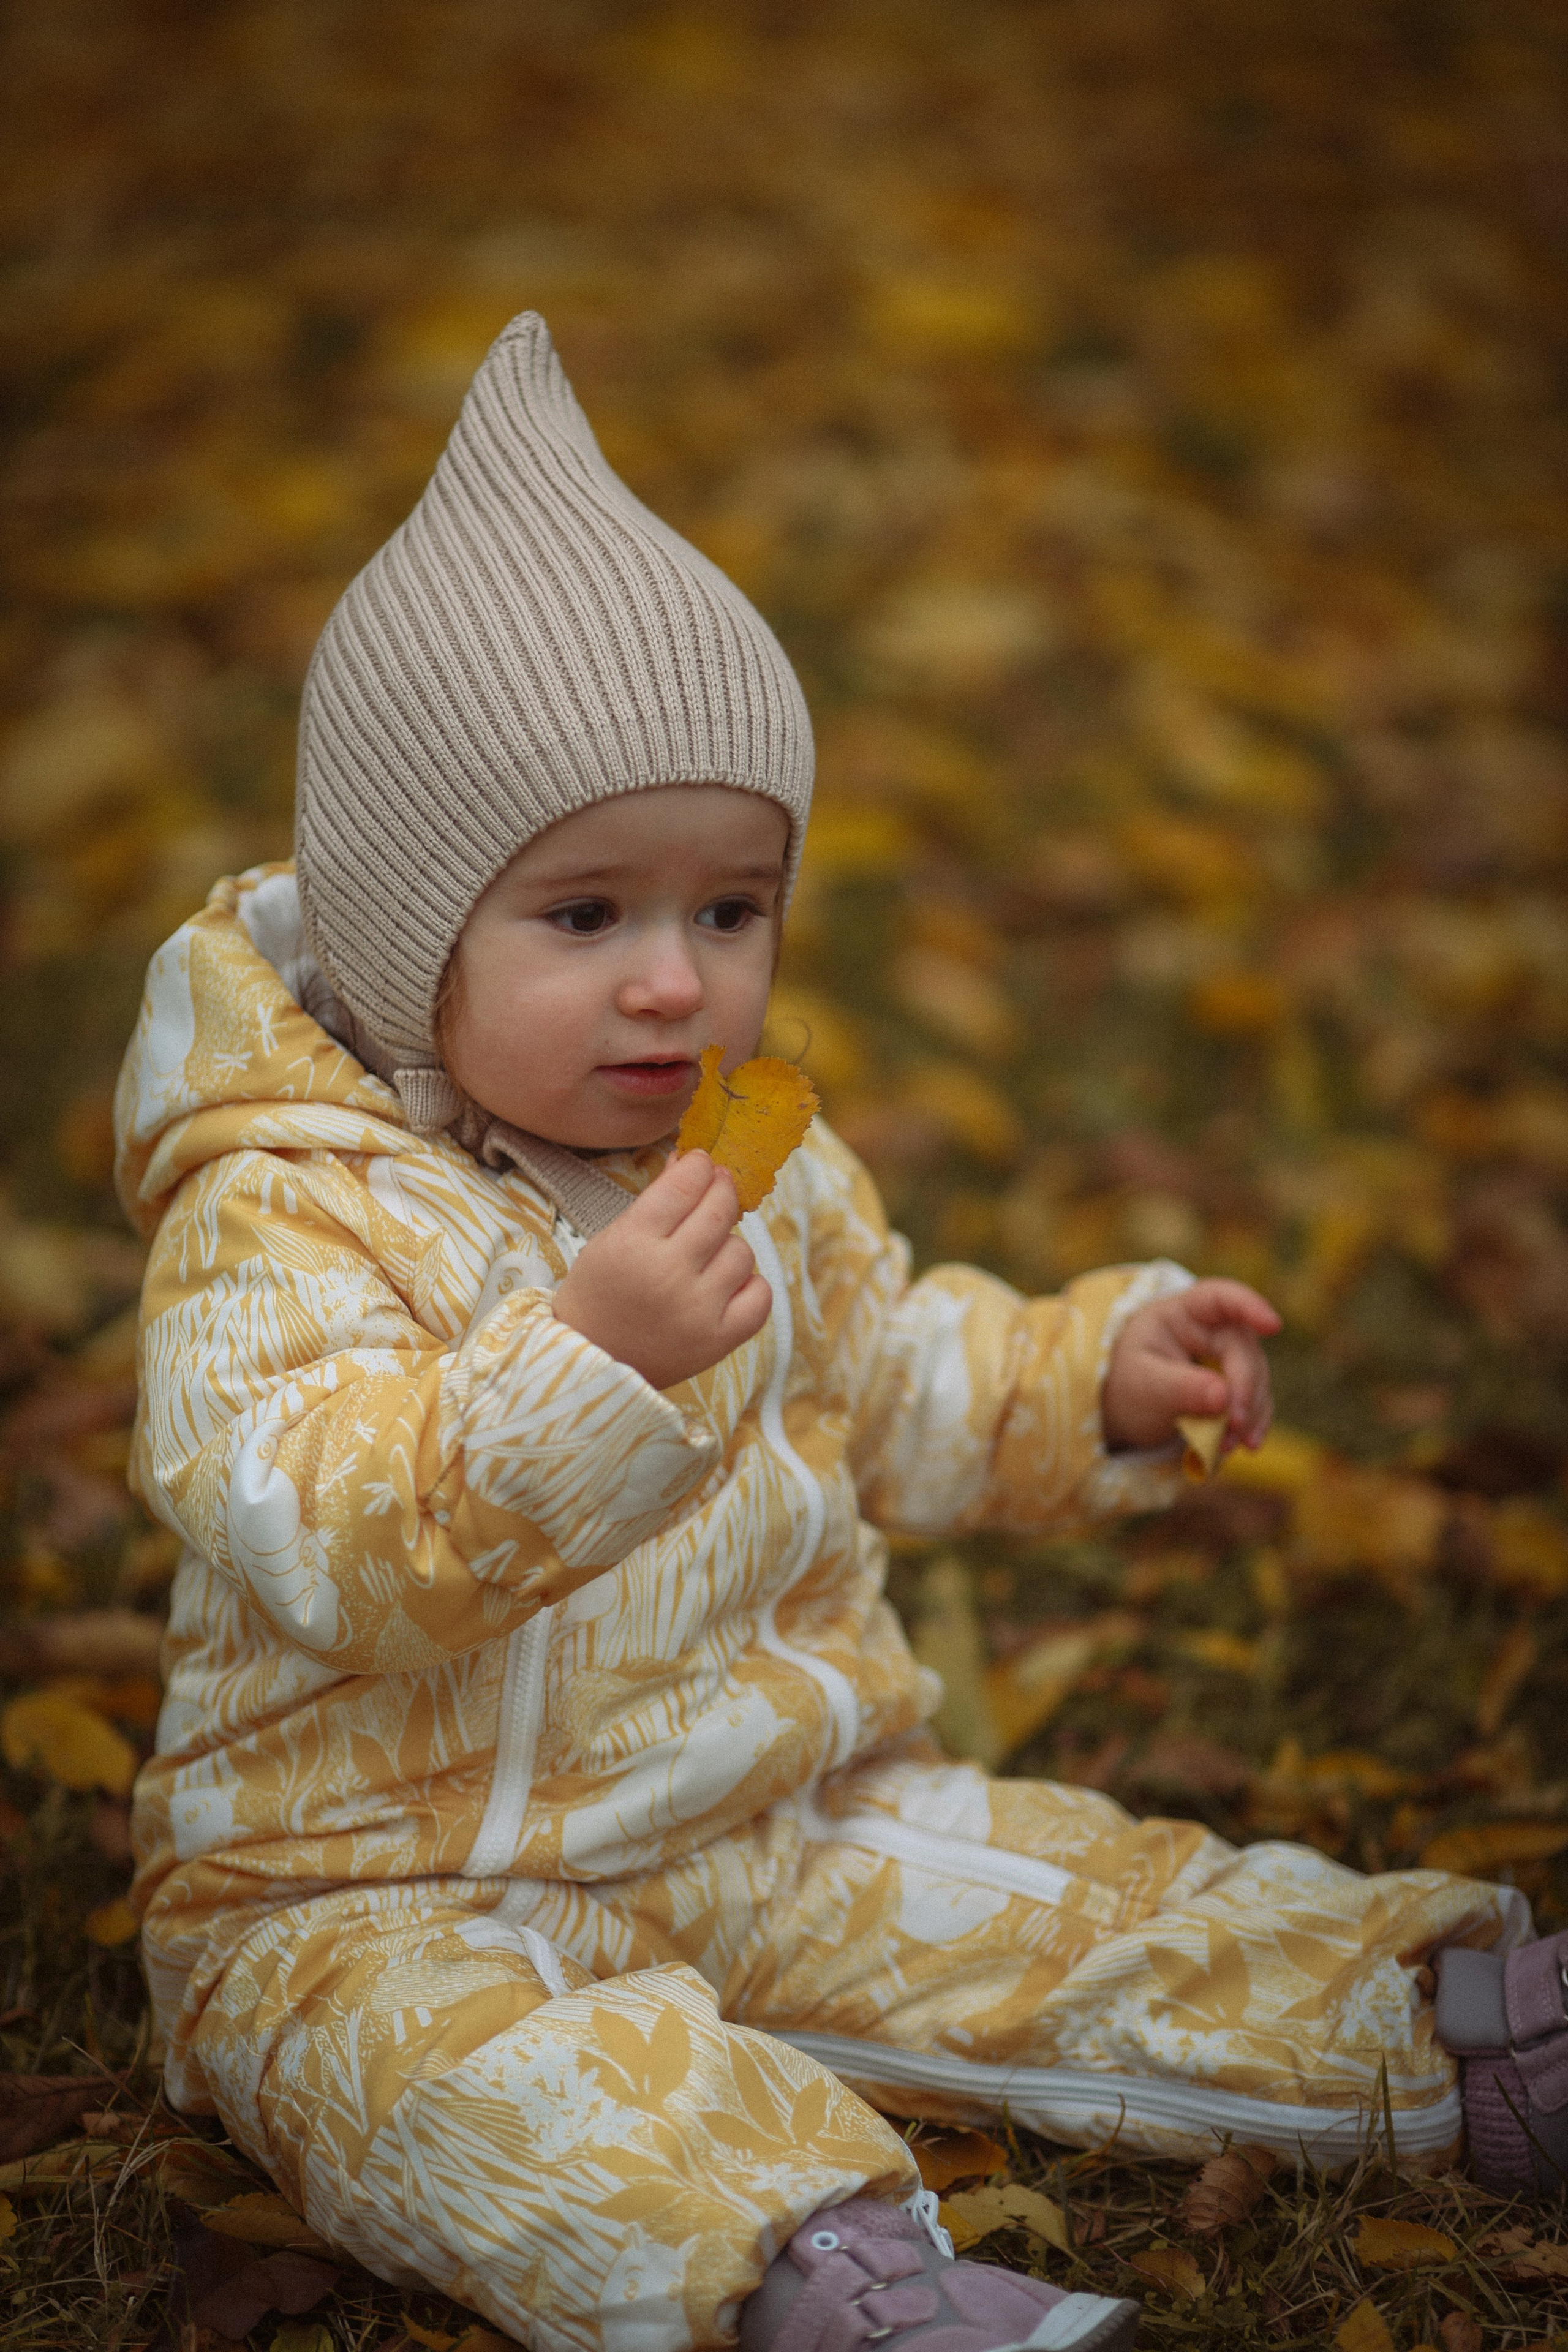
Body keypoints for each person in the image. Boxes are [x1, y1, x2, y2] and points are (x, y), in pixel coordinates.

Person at [115, 314, 1559, 2352]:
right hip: (364, 1896)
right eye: (585, 916)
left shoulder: (752, 1162)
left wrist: (1084, 1376)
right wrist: (578, 1377)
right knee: (491, 2097)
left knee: (1046, 1905)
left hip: (759, 1818)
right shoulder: (280, 1204)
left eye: (733, 910)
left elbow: (889, 1377)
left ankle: (1449, 2024)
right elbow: (302, 1524)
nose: (674, 988)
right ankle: (819, 2278)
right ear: (396, 932)